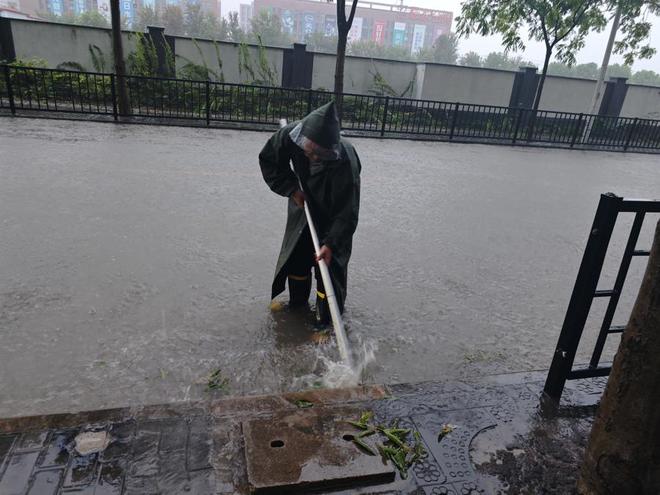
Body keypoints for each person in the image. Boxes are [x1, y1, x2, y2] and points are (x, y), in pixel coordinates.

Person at [259, 101, 361, 327]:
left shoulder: (346, 160)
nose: (313, 157)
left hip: (333, 213)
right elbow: (269, 161)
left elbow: (348, 211)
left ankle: (325, 321)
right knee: (297, 255)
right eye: (309, 151)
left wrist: (331, 243)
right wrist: (291, 188)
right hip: (302, 202)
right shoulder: (290, 135)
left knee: (328, 267)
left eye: (320, 153)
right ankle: (297, 305)